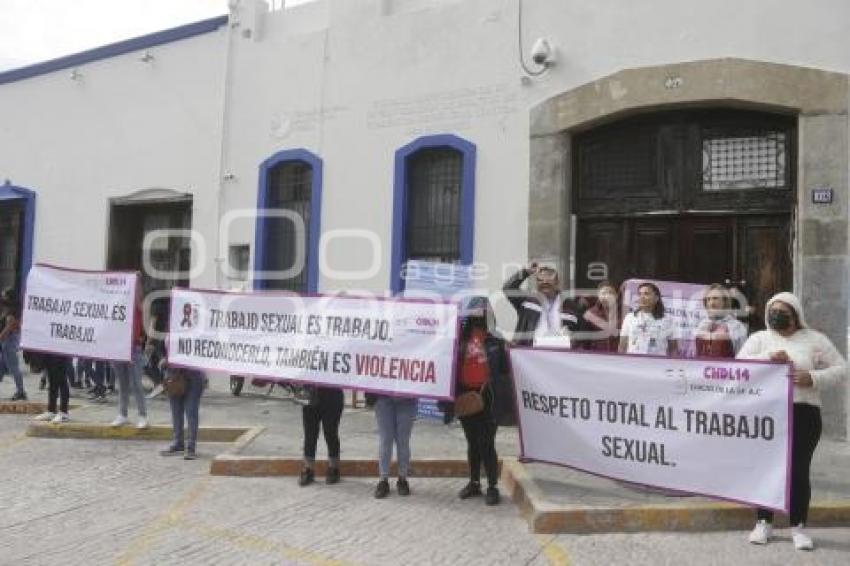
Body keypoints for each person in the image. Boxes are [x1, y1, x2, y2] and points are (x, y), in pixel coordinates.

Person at [738, 292, 846, 551]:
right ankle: (763, 521)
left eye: (783, 311)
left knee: (798, 471)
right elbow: (738, 365)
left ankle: (798, 526)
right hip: (765, 412)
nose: (776, 315)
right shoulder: (759, 339)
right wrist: (767, 359)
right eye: (772, 310)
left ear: (795, 314)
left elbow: (842, 368)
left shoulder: (815, 340)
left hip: (804, 413)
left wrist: (813, 378)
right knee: (765, 468)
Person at [454, 296, 507, 505]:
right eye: (474, 310)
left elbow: (504, 372)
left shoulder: (496, 339)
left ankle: (492, 486)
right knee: (472, 442)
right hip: (466, 395)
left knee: (487, 442)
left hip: (489, 397)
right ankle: (474, 482)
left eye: (482, 310)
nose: (478, 314)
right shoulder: (460, 339)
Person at [502, 263, 582, 347]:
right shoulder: (528, 301)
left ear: (557, 282)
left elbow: (579, 334)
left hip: (560, 354)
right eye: (540, 280)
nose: (544, 282)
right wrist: (526, 272)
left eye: (549, 279)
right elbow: (508, 289)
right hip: (530, 353)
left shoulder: (570, 305)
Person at [370, 393, 417, 499]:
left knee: (403, 441)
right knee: (385, 440)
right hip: (383, 398)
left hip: (407, 400)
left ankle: (402, 479)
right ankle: (383, 480)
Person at [110, 298, 148, 429]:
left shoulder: (135, 304)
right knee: (122, 384)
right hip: (117, 347)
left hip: (133, 347)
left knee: (136, 383)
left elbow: (139, 298)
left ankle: (142, 416)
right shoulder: (115, 303)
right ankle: (122, 414)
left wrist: (135, 279)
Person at [298, 386, 345, 486]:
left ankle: (334, 468)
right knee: (310, 433)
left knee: (331, 432)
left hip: (333, 394)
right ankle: (308, 469)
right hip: (309, 393)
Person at [619, 282, 679, 356]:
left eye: (646, 294)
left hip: (657, 364)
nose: (642, 297)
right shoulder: (630, 317)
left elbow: (673, 348)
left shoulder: (668, 319)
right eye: (640, 294)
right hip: (633, 363)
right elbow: (622, 346)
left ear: (656, 298)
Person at [695, 283, 748, 358]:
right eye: (708, 299)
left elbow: (743, 357)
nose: (711, 303)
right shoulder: (701, 325)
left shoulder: (737, 326)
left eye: (715, 298)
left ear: (725, 301)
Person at [0, 288, 27, 401]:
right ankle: (20, 391)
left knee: (14, 368)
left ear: (9, 298)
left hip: (8, 343)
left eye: (4, 295)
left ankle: (21, 391)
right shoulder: (10, 310)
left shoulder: (11, 312)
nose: (2, 296)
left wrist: (1, 338)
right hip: (8, 342)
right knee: (1, 366)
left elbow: (8, 329)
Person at [580, 281, 621, 352]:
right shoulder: (590, 314)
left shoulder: (626, 314)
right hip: (597, 356)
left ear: (616, 295)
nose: (607, 296)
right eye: (603, 293)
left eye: (610, 293)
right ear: (598, 296)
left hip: (619, 357)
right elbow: (584, 341)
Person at [33, 353, 73, 423]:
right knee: (51, 381)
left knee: (62, 381)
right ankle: (51, 410)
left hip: (61, 353)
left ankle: (64, 412)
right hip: (50, 353)